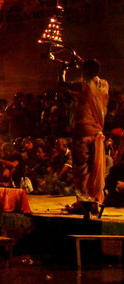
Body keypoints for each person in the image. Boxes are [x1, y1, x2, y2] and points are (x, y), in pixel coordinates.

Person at [59, 58, 109, 219]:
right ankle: (93, 202)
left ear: (85, 71)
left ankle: (85, 204)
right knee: (95, 169)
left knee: (82, 170)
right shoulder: (104, 85)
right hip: (97, 132)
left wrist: (64, 68)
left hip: (83, 131)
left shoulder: (83, 86)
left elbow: (62, 83)